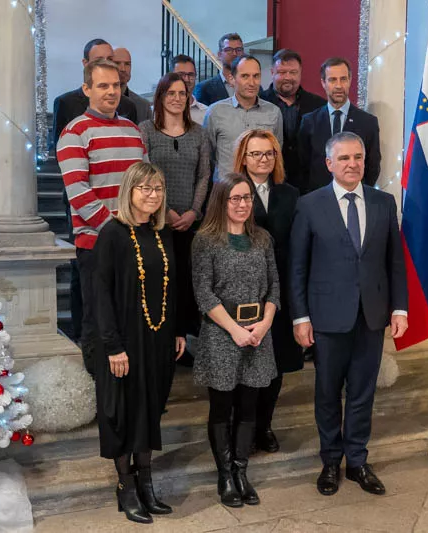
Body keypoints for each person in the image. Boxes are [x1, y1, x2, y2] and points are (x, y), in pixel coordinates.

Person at [289, 132, 408, 497]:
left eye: (357, 157)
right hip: (327, 317)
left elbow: (395, 261)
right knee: (327, 392)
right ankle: (330, 461)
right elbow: (298, 266)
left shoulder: (384, 202)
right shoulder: (309, 205)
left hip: (371, 315)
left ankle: (357, 461)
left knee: (362, 391)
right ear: (329, 164)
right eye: (343, 158)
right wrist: (300, 317)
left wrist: (399, 308)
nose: (352, 164)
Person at [93, 162, 186, 524]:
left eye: (158, 188)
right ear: (129, 191)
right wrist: (113, 346)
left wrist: (177, 330)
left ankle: (146, 484)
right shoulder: (112, 234)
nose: (152, 195)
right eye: (145, 188)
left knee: (149, 411)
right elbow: (100, 294)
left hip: (158, 338)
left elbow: (173, 287)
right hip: (124, 343)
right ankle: (126, 487)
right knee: (124, 415)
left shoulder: (162, 234)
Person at [191, 173, 279, 508]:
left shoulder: (262, 239)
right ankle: (225, 474)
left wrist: (264, 324)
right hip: (221, 333)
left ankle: (242, 471)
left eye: (247, 198)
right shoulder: (206, 240)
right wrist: (235, 330)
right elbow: (203, 292)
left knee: (248, 407)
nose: (243, 204)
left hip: (258, 334)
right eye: (236, 198)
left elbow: (274, 286)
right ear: (222, 201)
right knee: (221, 407)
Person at [57, 58, 147, 377]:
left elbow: (144, 184)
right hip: (96, 244)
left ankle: (129, 387)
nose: (112, 92)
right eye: (103, 85)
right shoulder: (74, 133)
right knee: (98, 320)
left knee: (131, 317)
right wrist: (116, 230)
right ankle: (99, 388)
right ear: (87, 89)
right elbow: (79, 193)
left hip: (134, 240)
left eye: (116, 85)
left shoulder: (133, 131)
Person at [232, 129, 300, 453]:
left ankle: (265, 426)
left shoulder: (291, 194)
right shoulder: (230, 192)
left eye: (269, 153)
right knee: (247, 362)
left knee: (276, 362)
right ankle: (241, 428)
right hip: (243, 291)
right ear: (243, 158)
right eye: (256, 153)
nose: (263, 159)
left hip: (281, 289)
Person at [139, 72, 211, 349]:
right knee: (159, 280)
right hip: (156, 221)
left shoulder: (199, 133)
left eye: (182, 93)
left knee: (186, 281)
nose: (177, 98)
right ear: (160, 97)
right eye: (171, 93)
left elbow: (204, 175)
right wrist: (164, 210)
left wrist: (194, 211)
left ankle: (183, 340)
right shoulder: (146, 130)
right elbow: (144, 173)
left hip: (190, 224)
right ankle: (159, 339)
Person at [298, 58, 382, 193]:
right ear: (323, 83)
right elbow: (302, 167)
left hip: (354, 198)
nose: (338, 86)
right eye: (332, 80)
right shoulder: (309, 122)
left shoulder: (368, 122)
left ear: (350, 80)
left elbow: (372, 167)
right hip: (318, 198)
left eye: (343, 79)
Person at [204, 55, 283, 178]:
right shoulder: (215, 112)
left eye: (256, 76)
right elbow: (207, 156)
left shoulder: (273, 112)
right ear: (232, 79)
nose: (252, 83)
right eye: (245, 76)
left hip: (261, 186)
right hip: (226, 187)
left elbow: (276, 154)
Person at [259, 49, 326, 193]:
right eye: (282, 72)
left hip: (309, 188)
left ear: (300, 73)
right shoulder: (258, 103)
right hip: (268, 185)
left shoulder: (319, 106)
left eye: (293, 72)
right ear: (272, 73)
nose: (288, 77)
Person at [53, 39, 138, 146]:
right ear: (85, 63)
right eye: (99, 60)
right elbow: (59, 147)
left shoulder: (127, 105)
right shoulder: (66, 103)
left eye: (110, 59)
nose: (105, 64)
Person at [193, 33, 244, 105]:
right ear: (219, 55)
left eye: (238, 50)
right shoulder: (204, 88)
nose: (234, 53)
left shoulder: (253, 86)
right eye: (228, 50)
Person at [113, 47, 153, 124]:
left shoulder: (143, 106)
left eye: (127, 64)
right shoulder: (99, 102)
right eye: (117, 63)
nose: (123, 69)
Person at [171, 54, 209, 125]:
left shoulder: (207, 113)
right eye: (181, 74)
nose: (187, 79)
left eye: (191, 75)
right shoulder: (156, 112)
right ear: (170, 76)